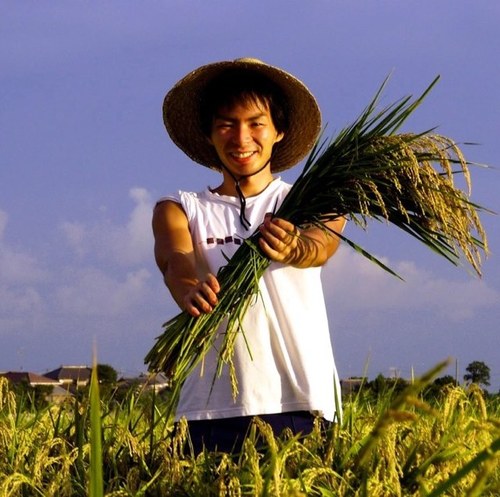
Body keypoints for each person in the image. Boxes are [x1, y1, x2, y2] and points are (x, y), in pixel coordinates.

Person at [153, 58, 346, 454]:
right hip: (207, 408)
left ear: (279, 131)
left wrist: (296, 247)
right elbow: (176, 259)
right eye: (227, 124)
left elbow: (320, 245)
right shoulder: (180, 207)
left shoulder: (309, 200)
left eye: (256, 123)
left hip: (296, 401)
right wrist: (189, 289)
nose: (241, 138)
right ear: (209, 134)